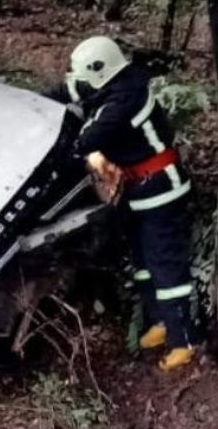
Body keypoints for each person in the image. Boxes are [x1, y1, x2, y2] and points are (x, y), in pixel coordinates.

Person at [60, 36, 197, 371]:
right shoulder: (116, 88)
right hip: (139, 189)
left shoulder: (124, 100)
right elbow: (73, 97)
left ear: (97, 72)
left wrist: (74, 143)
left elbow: (85, 140)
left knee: (165, 262)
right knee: (143, 261)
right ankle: (160, 323)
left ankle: (185, 338)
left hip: (161, 188)